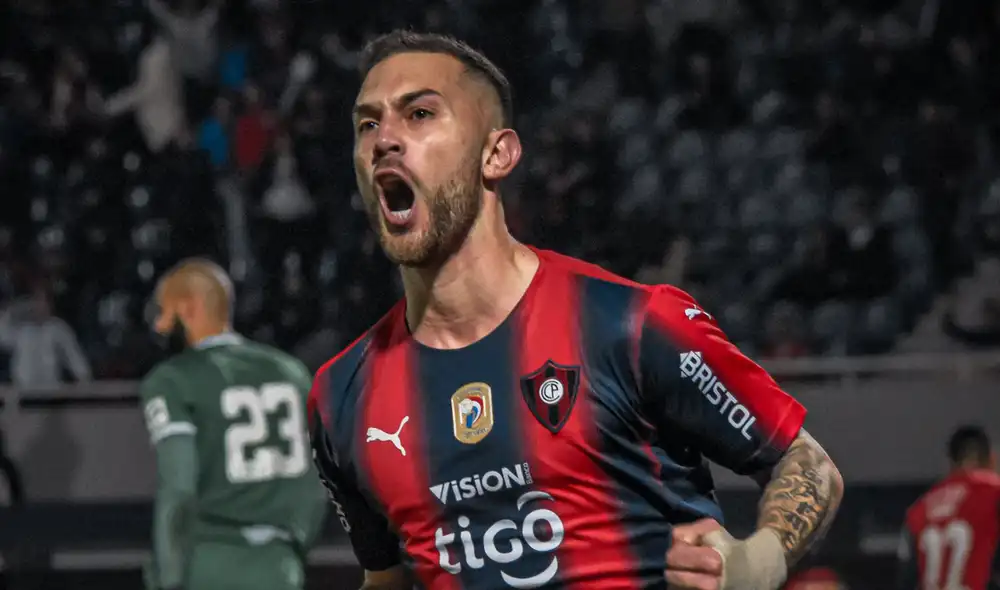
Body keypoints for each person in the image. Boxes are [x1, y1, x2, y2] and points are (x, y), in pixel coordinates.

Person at [308, 30, 844, 590]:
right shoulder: (341, 397)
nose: (385, 138)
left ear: (498, 154)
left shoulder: (629, 326)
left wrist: (755, 563)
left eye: (419, 113)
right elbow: (385, 579)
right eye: (368, 124)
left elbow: (805, 464)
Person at [139, 258, 326, 590]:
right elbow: (322, 480)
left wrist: (168, 575)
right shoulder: (290, 372)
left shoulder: (172, 379)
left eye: (166, 312)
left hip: (209, 561)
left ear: (189, 309)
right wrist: (292, 550)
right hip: (278, 565)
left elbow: (179, 488)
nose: (160, 326)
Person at [897, 425, 1000, 590]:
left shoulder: (919, 509)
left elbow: (907, 580)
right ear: (991, 459)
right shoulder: (994, 493)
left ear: (951, 463)